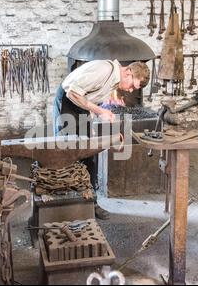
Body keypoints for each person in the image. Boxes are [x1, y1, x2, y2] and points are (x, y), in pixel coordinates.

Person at [53, 60, 151, 219]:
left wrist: (90, 124)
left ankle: (90, 202)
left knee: (89, 156)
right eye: (132, 85)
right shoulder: (103, 70)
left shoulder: (113, 84)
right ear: (127, 72)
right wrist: (100, 112)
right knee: (68, 154)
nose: (131, 90)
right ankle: (65, 205)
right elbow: (72, 93)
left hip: (81, 107)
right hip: (67, 103)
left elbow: (89, 99)